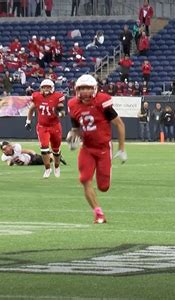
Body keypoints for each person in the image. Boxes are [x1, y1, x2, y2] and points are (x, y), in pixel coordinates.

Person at [66, 74, 127, 224]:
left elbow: (119, 124)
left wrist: (121, 148)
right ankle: (98, 213)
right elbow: (76, 128)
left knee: (103, 187)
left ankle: (104, 182)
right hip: (87, 148)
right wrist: (72, 136)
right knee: (85, 179)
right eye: (82, 88)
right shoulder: (73, 104)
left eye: (88, 88)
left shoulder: (102, 102)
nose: (85, 92)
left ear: (94, 89)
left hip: (103, 148)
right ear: (77, 90)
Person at [25, 79, 66, 178]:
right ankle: (47, 168)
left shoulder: (57, 97)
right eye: (44, 87)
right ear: (41, 88)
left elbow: (62, 111)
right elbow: (31, 109)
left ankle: (56, 166)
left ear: (52, 88)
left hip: (55, 126)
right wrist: (28, 121)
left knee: (56, 149)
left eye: (48, 87)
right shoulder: (37, 96)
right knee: (44, 148)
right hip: (42, 126)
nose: (46, 89)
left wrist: (60, 113)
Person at [0, 141, 66, 166]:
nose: (4, 151)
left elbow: (26, 151)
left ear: (9, 146)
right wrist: (12, 161)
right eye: (3, 149)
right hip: (29, 164)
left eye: (5, 148)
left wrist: (34, 154)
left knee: (48, 160)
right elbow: (9, 163)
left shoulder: (16, 148)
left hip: (31, 158)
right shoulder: (4, 157)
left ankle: (56, 154)